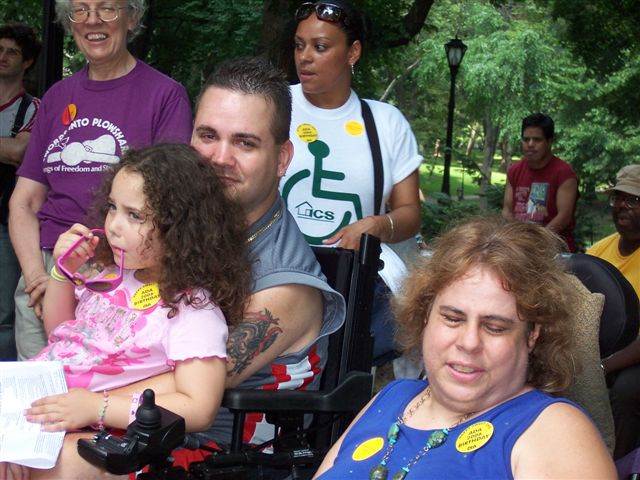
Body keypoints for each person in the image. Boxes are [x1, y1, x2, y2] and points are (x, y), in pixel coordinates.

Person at [113, 57, 345, 460]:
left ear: (282, 159)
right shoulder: (180, 234)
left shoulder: (285, 286)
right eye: (207, 135)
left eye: (245, 142)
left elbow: (172, 384)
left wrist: (72, 397)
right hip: (140, 432)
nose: (219, 157)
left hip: (219, 457)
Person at [0, 144, 251, 480]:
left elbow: (200, 406)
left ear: (181, 228)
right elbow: (61, 334)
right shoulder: (112, 275)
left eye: (134, 215)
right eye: (112, 208)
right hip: (45, 405)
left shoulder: (192, 309)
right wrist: (63, 273)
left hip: (111, 430)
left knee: (60, 465)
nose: (114, 225)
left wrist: (97, 407)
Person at [314, 217, 616, 479]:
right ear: (425, 316)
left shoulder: (552, 430)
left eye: (495, 327)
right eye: (452, 318)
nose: (469, 342)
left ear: (531, 335)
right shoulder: (392, 396)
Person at [9, 0, 193, 361]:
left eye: (107, 8)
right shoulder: (57, 98)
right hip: (46, 266)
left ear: (132, 17)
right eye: (79, 10)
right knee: (39, 398)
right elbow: (24, 202)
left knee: (101, 400)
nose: (92, 20)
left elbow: (171, 201)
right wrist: (39, 278)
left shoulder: (165, 95)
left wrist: (97, 273)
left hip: (122, 275)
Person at [281, 0, 422, 361]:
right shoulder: (273, 105)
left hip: (351, 286)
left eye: (321, 47)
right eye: (299, 45)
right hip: (275, 275)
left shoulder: (386, 123)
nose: (305, 57)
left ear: (353, 52)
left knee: (339, 384)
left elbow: (409, 213)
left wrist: (376, 225)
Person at [588, 164, 640, 460]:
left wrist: (603, 367)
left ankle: (613, 464)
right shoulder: (597, 252)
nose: (621, 205)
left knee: (627, 389)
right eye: (618, 198)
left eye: (632, 199)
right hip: (596, 351)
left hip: (630, 357)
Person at [0, 23, 41, 361]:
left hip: (6, 222)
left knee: (4, 313)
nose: (2, 57)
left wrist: (10, 148)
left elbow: (19, 152)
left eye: (11, 51)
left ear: (27, 62)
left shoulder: (33, 109)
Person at [502, 113, 579, 252]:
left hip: (554, 247)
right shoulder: (514, 170)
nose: (530, 144)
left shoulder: (564, 173)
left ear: (549, 142)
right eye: (526, 139)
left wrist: (536, 241)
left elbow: (564, 217)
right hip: (519, 245)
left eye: (537, 140)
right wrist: (516, 238)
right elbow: (507, 210)